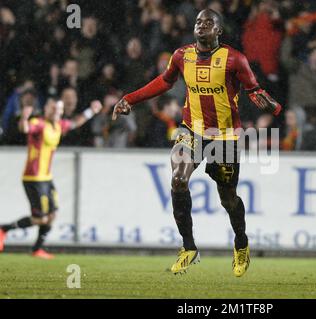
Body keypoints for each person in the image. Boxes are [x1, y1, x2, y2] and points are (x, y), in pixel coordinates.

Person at [112, 9, 281, 276]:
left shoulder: (235, 59)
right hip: (192, 129)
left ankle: (241, 243)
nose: (201, 25)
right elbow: (164, 82)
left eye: (208, 22)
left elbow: (254, 90)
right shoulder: (181, 55)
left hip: (224, 136)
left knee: (228, 199)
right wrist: (129, 99)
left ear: (219, 31)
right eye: (198, 21)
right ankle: (189, 247)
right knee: (178, 178)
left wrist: (272, 105)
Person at [0, 98, 102, 258]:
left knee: (52, 215)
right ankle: (4, 229)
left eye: (59, 109)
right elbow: (25, 129)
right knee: (40, 219)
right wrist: (24, 119)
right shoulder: (38, 123)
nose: (56, 112)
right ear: (46, 109)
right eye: (53, 108)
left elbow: (75, 123)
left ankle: (37, 249)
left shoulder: (59, 125)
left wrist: (91, 111)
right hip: (33, 178)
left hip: (46, 178)